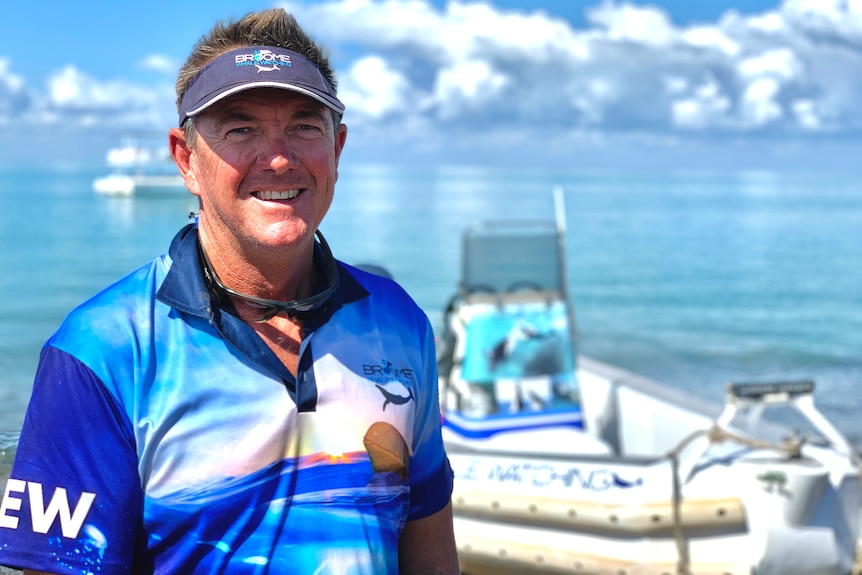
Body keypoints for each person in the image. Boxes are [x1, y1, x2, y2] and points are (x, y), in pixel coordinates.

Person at [0, 9, 459, 575]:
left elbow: (429, 543)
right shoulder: (103, 351)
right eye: (241, 129)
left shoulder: (399, 322)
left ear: (337, 149)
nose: (280, 157)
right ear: (187, 159)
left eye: (304, 126)